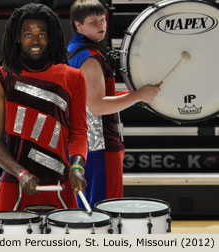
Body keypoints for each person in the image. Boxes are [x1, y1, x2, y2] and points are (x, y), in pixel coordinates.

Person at [0, 3, 88, 211]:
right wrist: (21, 173)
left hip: (62, 185)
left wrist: (77, 167)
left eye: (41, 34)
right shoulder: (1, 80)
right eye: (28, 34)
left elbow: (78, 132)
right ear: (17, 37)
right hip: (15, 185)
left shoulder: (73, 77)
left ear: (50, 38)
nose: (35, 41)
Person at [67, 0, 160, 207]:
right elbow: (97, 105)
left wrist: (135, 94)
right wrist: (137, 96)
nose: (101, 25)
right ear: (78, 25)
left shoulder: (74, 50)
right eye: (93, 21)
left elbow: (93, 96)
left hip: (84, 146)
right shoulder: (89, 58)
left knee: (85, 213)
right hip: (100, 147)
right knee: (105, 213)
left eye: (103, 19)